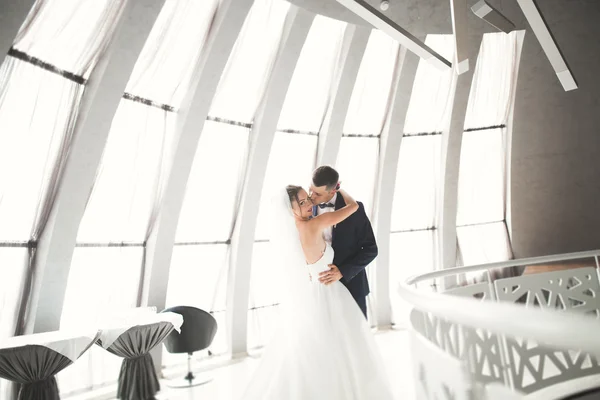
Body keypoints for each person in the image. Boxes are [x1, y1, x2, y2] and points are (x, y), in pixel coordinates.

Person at [240, 185, 393, 400]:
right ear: (289, 209)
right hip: (329, 291)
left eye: (307, 199)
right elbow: (353, 207)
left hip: (314, 290)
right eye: (302, 203)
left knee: (319, 348)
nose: (309, 204)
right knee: (342, 346)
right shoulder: (314, 225)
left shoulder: (293, 231)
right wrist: (340, 189)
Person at [309, 166, 377, 318]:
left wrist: (342, 272)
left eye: (317, 193)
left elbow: (371, 249)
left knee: (357, 336)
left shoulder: (355, 210)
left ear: (333, 191)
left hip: (352, 286)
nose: (311, 196)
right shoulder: (306, 208)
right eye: (311, 190)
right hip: (320, 287)